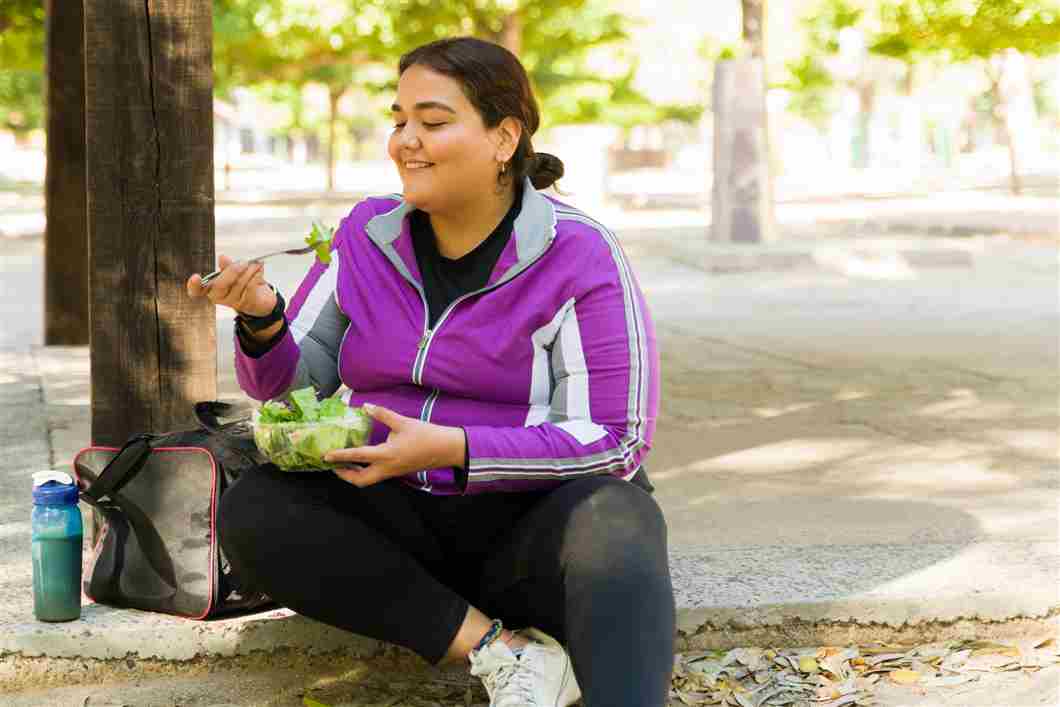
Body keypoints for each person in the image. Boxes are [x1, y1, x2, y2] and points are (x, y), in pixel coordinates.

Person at [186, 36, 674, 707]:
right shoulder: (366, 235)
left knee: (620, 518)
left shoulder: (579, 254)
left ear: (504, 139)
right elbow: (292, 387)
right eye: (399, 120)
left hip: (529, 528)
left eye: (433, 122)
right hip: (401, 530)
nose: (405, 141)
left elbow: (616, 434)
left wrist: (458, 449)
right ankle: (503, 653)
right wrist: (262, 315)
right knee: (256, 506)